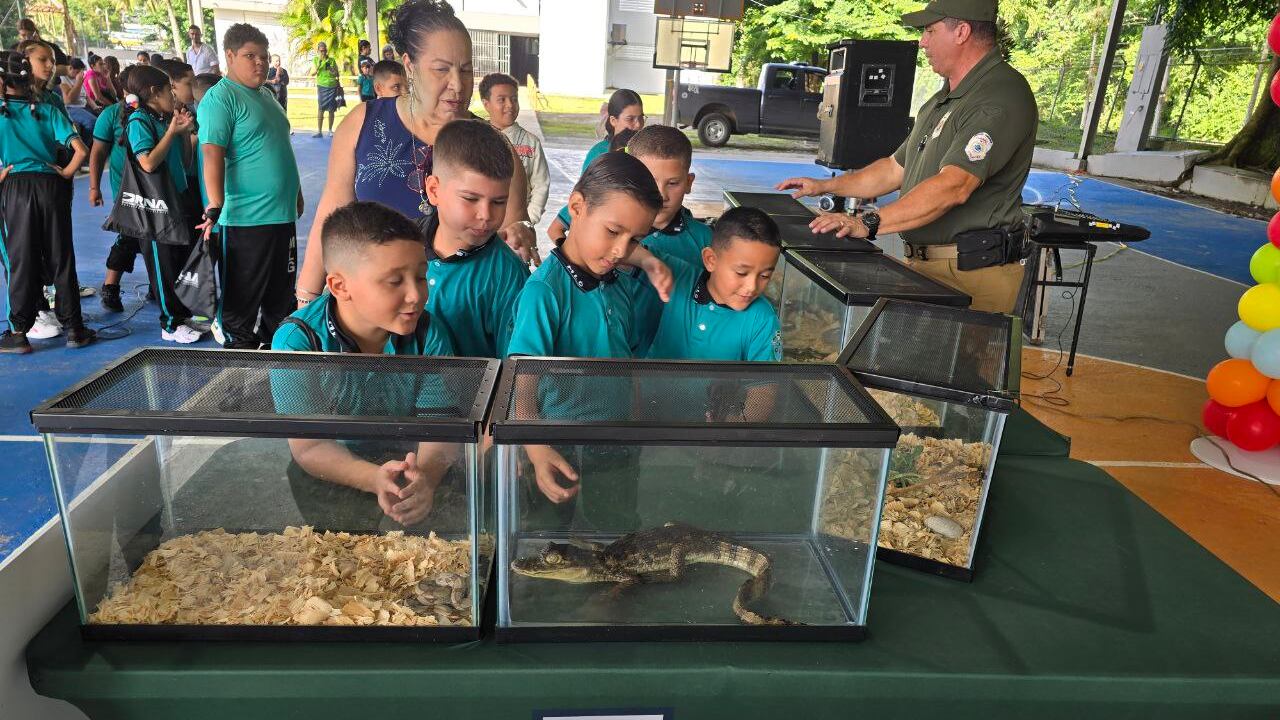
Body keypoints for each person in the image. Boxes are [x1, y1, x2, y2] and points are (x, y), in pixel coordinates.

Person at [776, 0, 1036, 314]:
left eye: (930, 30)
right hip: (926, 265)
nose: (922, 42)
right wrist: (825, 186)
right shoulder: (944, 99)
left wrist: (867, 223)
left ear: (962, 32)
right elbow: (893, 169)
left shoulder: (999, 96)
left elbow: (955, 186)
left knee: (961, 362)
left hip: (971, 274)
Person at [297, 0, 538, 308]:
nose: (457, 84)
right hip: (370, 316)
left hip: (458, 318)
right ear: (409, 64)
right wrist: (306, 302)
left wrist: (522, 231)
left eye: (466, 70)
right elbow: (329, 221)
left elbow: (512, 231)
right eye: (441, 69)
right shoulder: (363, 123)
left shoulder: (494, 147)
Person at [271, 200, 459, 532]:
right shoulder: (299, 343)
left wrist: (425, 480)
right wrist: (373, 478)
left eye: (420, 276)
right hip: (329, 470)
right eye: (394, 281)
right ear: (340, 286)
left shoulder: (428, 334)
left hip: (411, 463)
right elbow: (309, 446)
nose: (416, 295)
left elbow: (440, 426)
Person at [506, 151, 662, 521]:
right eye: (613, 231)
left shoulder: (619, 285)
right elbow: (522, 383)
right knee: (550, 540)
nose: (621, 250)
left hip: (616, 442)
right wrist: (536, 450)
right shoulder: (544, 293)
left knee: (616, 530)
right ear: (576, 206)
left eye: (635, 239)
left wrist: (636, 426)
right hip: (557, 442)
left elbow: (631, 364)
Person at [550, 124, 707, 353]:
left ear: (689, 182)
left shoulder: (705, 241)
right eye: (614, 232)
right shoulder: (600, 209)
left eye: (672, 183)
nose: (661, 194)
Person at [197, 22, 304, 349]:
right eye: (250, 55)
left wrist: (295, 193)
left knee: (280, 300)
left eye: (264, 55)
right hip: (245, 220)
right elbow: (212, 155)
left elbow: (279, 148)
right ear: (230, 55)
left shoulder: (268, 95)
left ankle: (276, 366)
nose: (260, 62)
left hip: (281, 217)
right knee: (240, 306)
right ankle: (238, 373)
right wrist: (215, 204)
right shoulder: (221, 99)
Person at [0, 49, 92, 353]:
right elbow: (81, 150)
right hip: (51, 185)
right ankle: (75, 329)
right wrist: (65, 173)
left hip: (16, 187)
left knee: (20, 260)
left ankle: (19, 332)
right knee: (61, 257)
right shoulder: (47, 109)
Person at [421, 119, 529, 357]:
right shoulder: (398, 249)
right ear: (434, 190)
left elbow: (514, 369)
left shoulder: (508, 275)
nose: (486, 215)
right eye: (470, 199)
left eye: (499, 202)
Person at [122, 65, 203, 343]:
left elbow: (185, 161)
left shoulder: (163, 117)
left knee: (180, 260)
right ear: (155, 93)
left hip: (176, 198)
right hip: (156, 206)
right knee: (163, 263)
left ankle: (181, 314)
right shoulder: (139, 121)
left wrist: (183, 133)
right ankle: (169, 323)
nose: (174, 95)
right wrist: (171, 132)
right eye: (169, 90)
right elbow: (147, 162)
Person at [646, 205, 781, 362]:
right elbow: (626, 250)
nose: (752, 286)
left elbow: (765, 384)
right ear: (711, 260)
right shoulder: (680, 277)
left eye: (764, 275)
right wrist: (645, 259)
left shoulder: (762, 318)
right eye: (741, 273)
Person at [89, 67, 150, 313]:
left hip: (154, 188)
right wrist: (94, 187)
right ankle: (110, 287)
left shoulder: (152, 112)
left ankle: (157, 286)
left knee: (155, 237)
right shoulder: (111, 115)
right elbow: (97, 153)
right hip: (126, 190)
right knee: (129, 236)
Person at [480, 72, 547, 223]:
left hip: (517, 226)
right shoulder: (476, 138)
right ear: (486, 104)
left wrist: (527, 221)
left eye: (514, 99)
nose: (510, 105)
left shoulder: (531, 142)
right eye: (501, 100)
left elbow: (541, 185)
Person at [582, 88, 643, 172]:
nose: (638, 124)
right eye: (630, 119)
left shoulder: (647, 152)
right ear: (613, 120)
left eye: (641, 117)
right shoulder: (598, 153)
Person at [312, 41, 340, 138]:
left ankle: (330, 130)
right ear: (318, 51)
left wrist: (332, 70)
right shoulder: (315, 60)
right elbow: (313, 73)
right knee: (321, 108)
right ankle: (319, 131)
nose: (323, 53)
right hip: (322, 86)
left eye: (324, 51)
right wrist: (319, 65)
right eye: (321, 51)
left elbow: (337, 74)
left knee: (331, 109)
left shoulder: (331, 60)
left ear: (326, 50)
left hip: (332, 86)